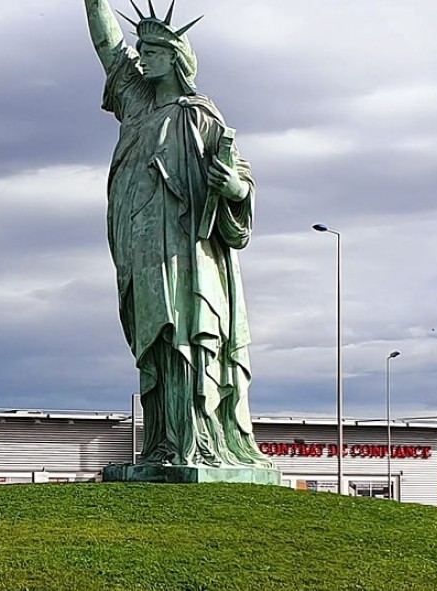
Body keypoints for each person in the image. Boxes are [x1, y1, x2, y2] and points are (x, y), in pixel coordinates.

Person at [82, 0, 272, 469]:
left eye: (151, 51)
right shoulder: (137, 103)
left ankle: (200, 442)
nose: (141, 57)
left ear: (175, 58)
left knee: (187, 337)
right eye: (141, 50)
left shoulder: (199, 115)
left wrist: (233, 188)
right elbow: (108, 45)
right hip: (141, 248)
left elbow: (238, 180)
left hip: (188, 251)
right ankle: (164, 444)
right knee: (156, 343)